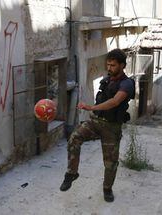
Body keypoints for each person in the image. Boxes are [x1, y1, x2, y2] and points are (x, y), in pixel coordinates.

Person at [60, 48, 135, 202]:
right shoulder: (106, 80)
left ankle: (107, 189)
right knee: (74, 138)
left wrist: (91, 107)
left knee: (110, 163)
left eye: (113, 65)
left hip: (111, 128)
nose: (109, 68)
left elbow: (115, 101)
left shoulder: (127, 84)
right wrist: (93, 112)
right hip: (95, 122)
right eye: (108, 64)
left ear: (122, 65)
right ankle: (71, 173)